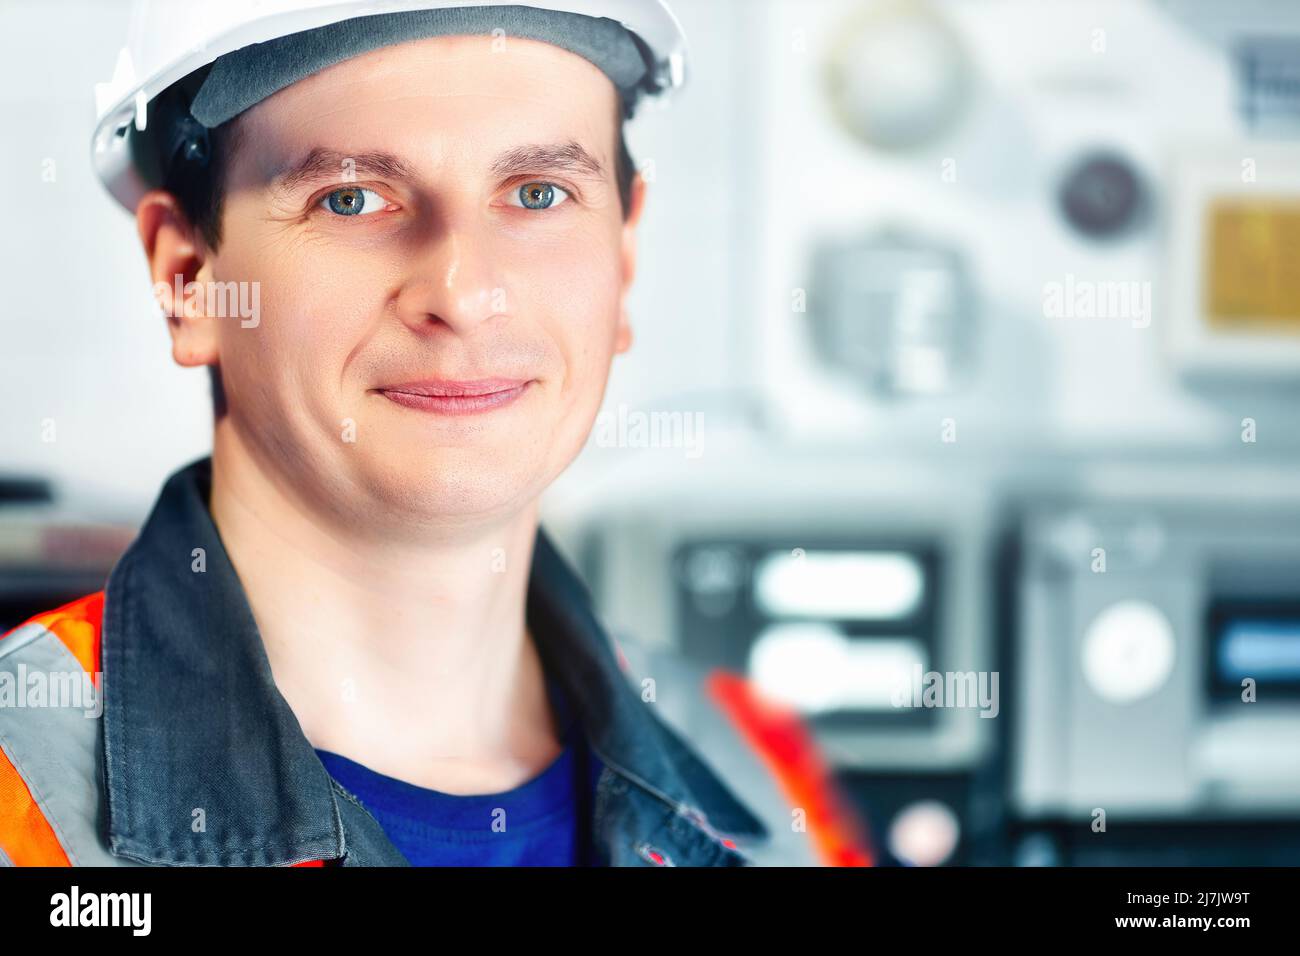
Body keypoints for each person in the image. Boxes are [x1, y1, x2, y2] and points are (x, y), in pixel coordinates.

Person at [0, 0, 833, 867]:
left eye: (538, 194)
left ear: (622, 263)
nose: (465, 292)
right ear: (189, 281)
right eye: (352, 198)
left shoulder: (768, 781)